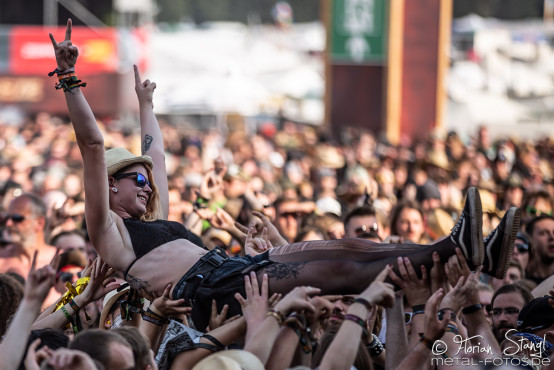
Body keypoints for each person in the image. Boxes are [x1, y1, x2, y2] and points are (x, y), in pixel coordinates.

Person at [49, 20, 517, 332]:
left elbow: (158, 157)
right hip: (208, 294)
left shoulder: (153, 221)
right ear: (110, 185)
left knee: (344, 248)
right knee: (333, 271)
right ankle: (459, 253)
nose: (148, 184)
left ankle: (466, 252)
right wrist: (69, 77)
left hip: (230, 271)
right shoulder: (109, 233)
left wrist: (146, 106)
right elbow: (91, 146)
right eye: (137, 179)